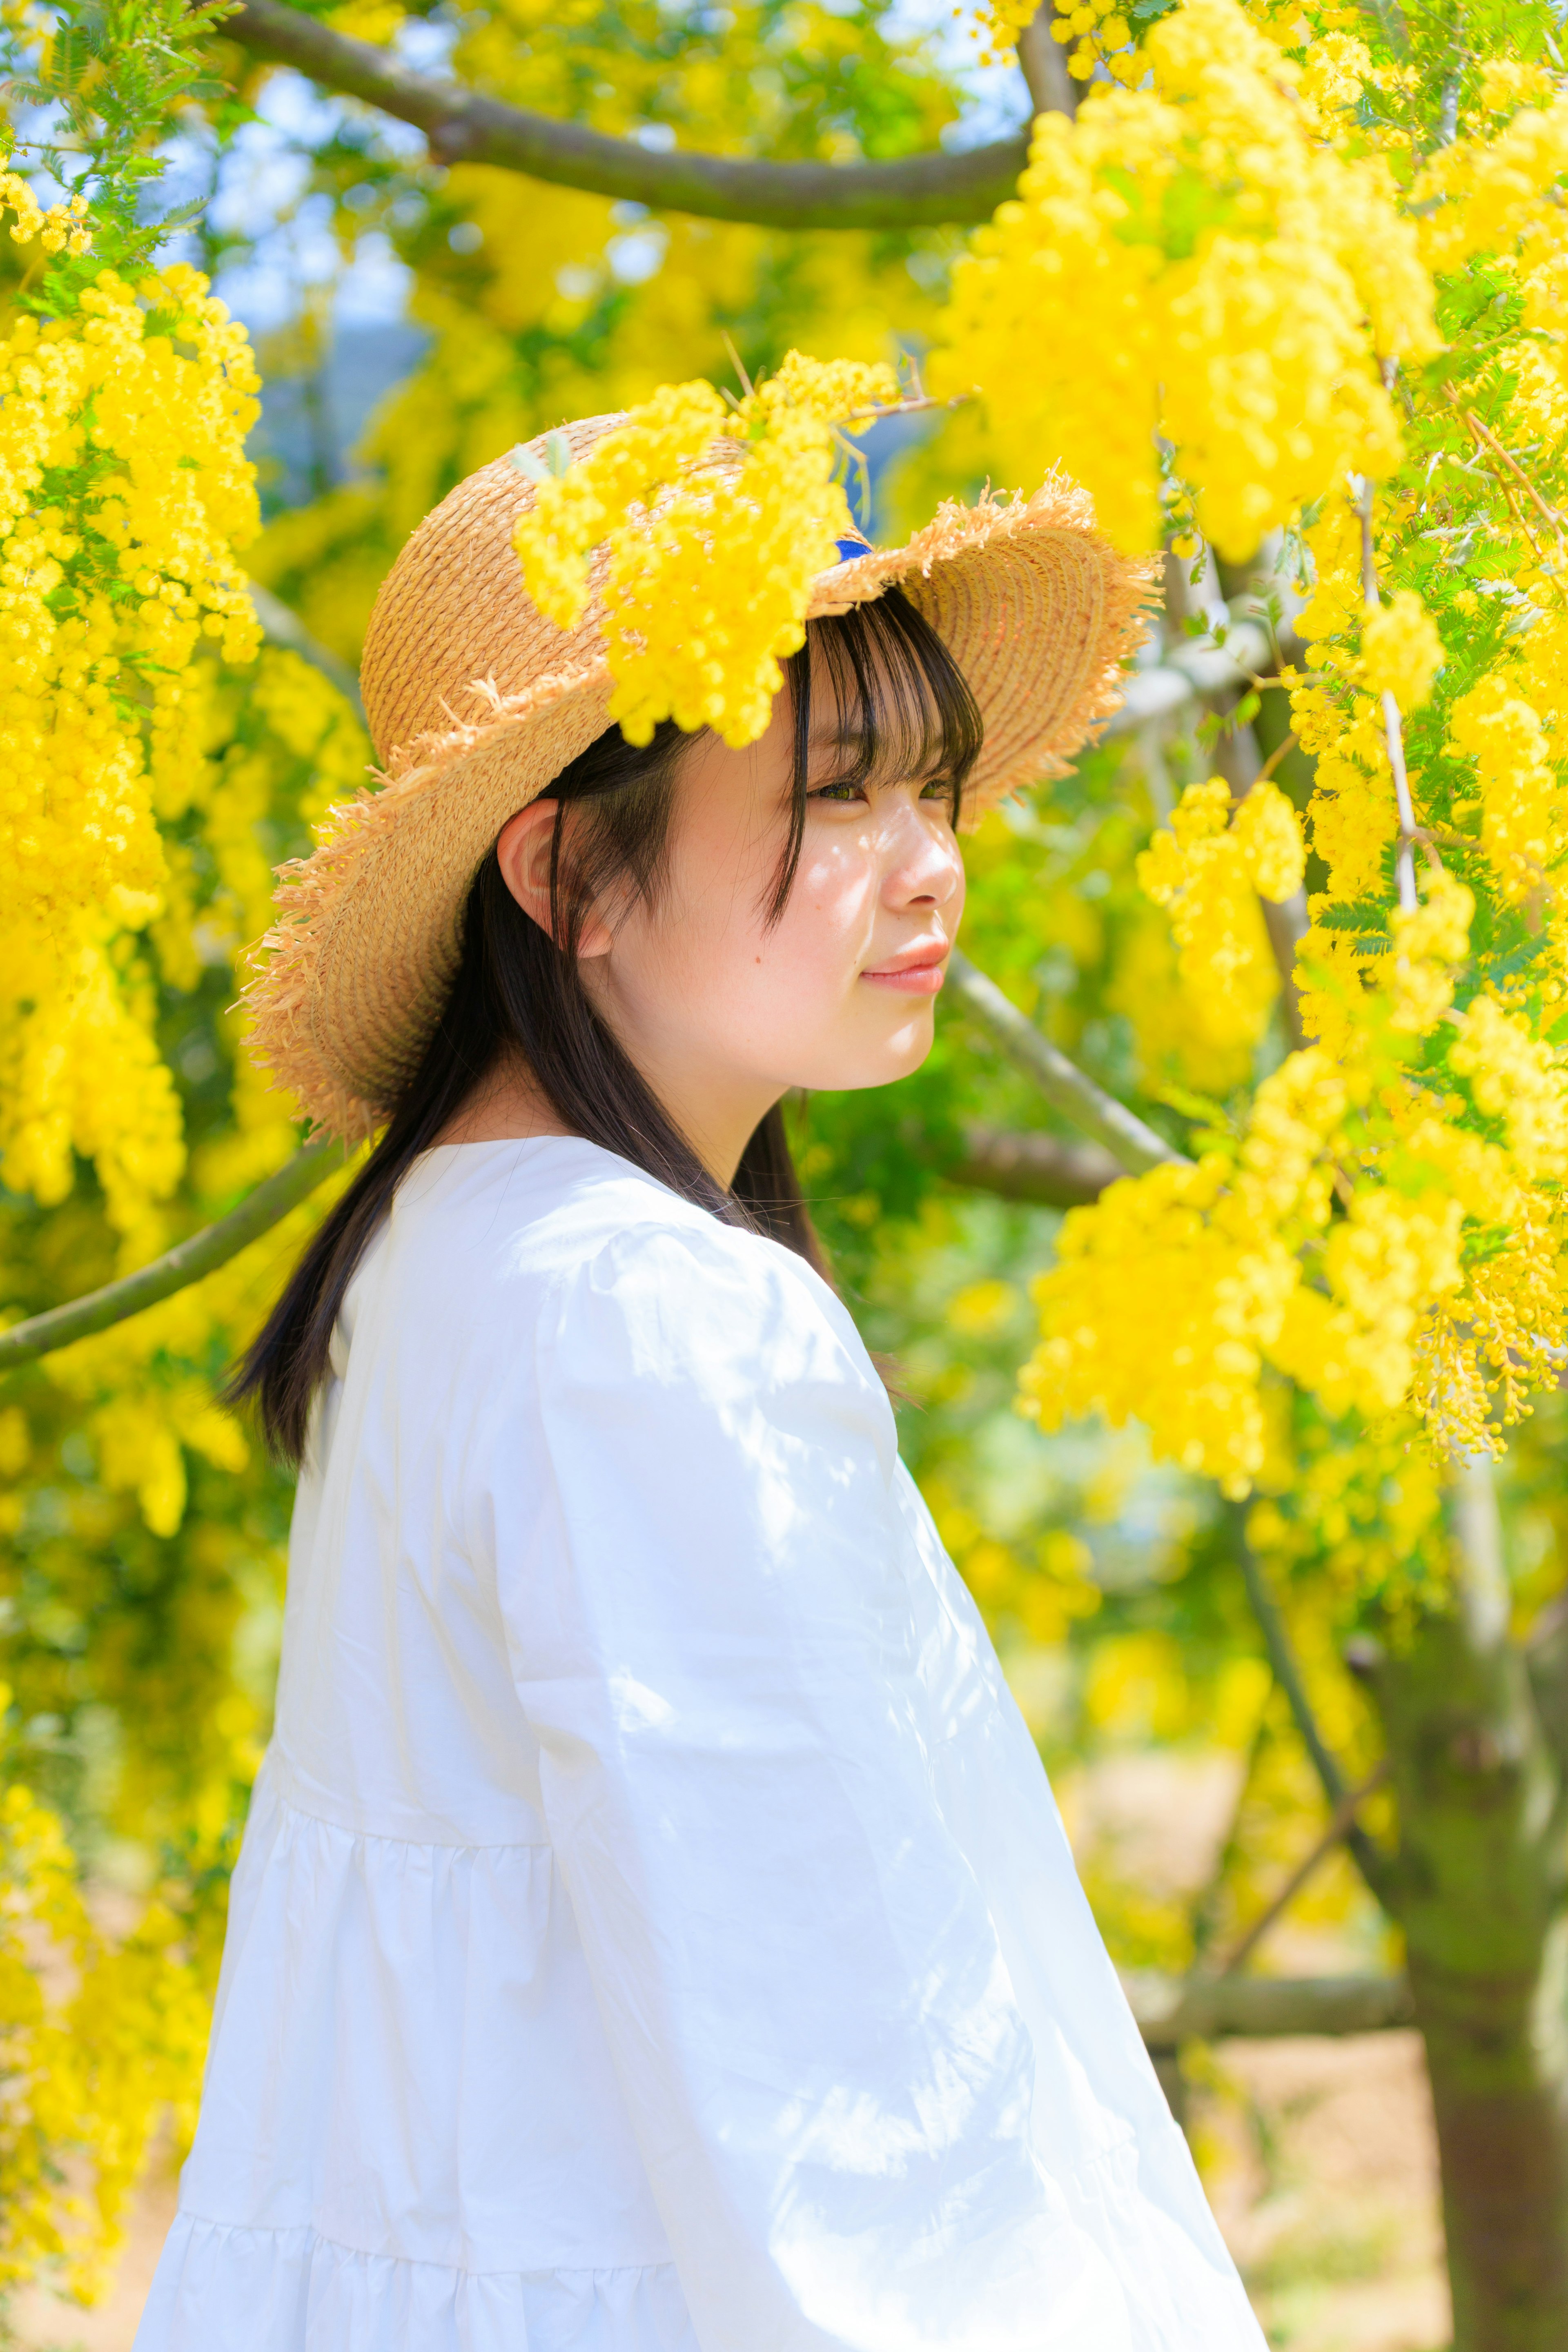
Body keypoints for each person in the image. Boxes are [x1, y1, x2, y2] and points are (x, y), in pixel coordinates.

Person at [134, 415, 1264, 2351]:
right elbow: (859, 2122)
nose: (929, 868)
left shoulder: (453, 1258)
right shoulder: (645, 1319)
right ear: (567, 872)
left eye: (937, 788)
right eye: (836, 799)